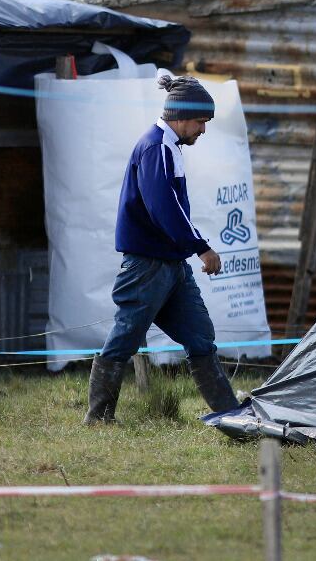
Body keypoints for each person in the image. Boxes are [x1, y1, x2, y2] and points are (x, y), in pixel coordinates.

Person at [84, 74, 241, 424]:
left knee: (200, 336)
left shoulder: (169, 147)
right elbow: (164, 209)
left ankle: (230, 415)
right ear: (181, 117)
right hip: (147, 266)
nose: (203, 129)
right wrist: (201, 247)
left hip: (172, 264)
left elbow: (172, 210)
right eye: (201, 121)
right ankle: (98, 418)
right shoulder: (157, 148)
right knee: (125, 336)